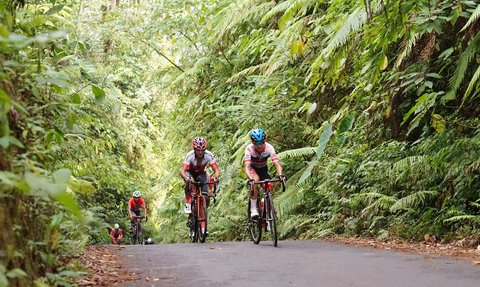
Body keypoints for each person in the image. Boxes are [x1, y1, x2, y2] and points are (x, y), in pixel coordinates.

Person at [180, 137, 220, 231]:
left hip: (202, 173)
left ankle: (203, 226)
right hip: (190, 173)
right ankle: (188, 205)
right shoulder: (189, 155)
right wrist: (186, 178)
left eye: (202, 150)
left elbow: (216, 170)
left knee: (205, 197)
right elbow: (182, 171)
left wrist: (216, 177)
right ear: (194, 149)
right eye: (198, 150)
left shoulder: (209, 155)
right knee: (189, 181)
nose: (200, 152)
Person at [244, 128, 285, 219]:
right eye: (256, 144)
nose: (259, 146)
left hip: (263, 169)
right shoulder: (249, 149)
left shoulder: (269, 148)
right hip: (252, 169)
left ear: (265, 140)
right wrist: (250, 178)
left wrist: (280, 174)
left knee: (269, 186)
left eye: (261, 142)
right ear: (252, 143)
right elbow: (246, 166)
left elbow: (277, 164)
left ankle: (265, 207)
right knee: (255, 180)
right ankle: (253, 209)